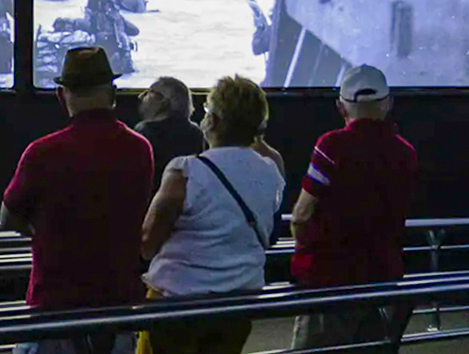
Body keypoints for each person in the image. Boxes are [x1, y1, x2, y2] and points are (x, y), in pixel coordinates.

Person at [1, 47, 153, 354]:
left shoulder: (41, 152)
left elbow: (8, 217)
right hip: (119, 305)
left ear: (61, 95)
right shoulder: (140, 149)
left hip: (54, 306)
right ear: (113, 93)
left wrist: (38, 231)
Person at [138, 76, 286, 354]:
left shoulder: (184, 172)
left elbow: (148, 243)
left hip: (176, 303)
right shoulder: (271, 170)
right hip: (239, 303)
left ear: (213, 121)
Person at [289, 65, 417, 353]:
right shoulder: (405, 152)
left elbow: (302, 215)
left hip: (329, 281)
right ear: (388, 103)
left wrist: (306, 250)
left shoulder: (330, 146)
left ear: (340, 106)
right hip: (383, 279)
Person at [135, 77, 206, 193]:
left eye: (150, 92)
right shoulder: (196, 132)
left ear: (163, 100)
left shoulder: (144, 131)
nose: (141, 96)